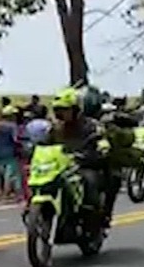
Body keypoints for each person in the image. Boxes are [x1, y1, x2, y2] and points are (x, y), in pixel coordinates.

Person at [47, 86, 115, 228]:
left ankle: (94, 216)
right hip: (59, 167)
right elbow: (45, 145)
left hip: (83, 165)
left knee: (90, 181)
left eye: (66, 109)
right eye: (59, 110)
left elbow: (101, 140)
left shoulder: (92, 125)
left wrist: (101, 147)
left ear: (76, 109)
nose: (62, 114)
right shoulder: (55, 128)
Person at [0, 106, 20, 199]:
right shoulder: (12, 126)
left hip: (0, 150)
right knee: (10, 173)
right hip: (10, 150)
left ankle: (3, 191)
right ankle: (8, 192)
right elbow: (15, 138)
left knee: (1, 171)